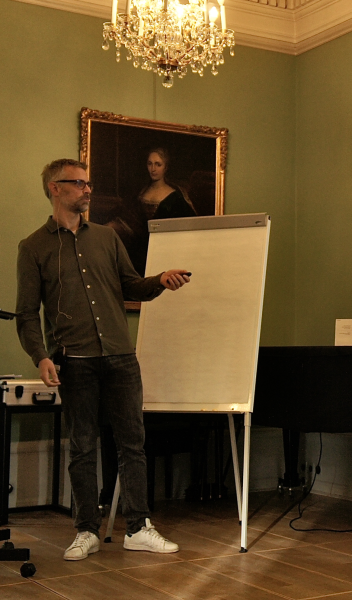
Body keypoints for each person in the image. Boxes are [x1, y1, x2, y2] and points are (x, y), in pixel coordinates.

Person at [15, 158, 191, 561]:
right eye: (79, 183)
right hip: (73, 360)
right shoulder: (33, 247)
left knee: (133, 443)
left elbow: (132, 285)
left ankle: (138, 528)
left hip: (120, 357)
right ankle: (86, 531)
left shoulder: (107, 238)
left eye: (89, 183)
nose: (87, 190)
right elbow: (26, 315)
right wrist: (40, 356)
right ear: (55, 188)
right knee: (81, 446)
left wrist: (159, 280)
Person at [140, 148, 196, 221]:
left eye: (158, 165)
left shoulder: (175, 197)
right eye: (150, 164)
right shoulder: (141, 193)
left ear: (165, 167)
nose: (153, 169)